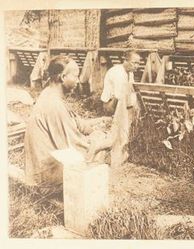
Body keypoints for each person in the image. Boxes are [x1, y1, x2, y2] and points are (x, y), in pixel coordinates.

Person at [24, 56, 110, 186]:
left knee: (98, 136)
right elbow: (74, 147)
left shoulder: (50, 94)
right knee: (100, 142)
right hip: (46, 177)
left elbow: (77, 123)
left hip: (44, 167)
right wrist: (107, 142)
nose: (78, 80)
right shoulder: (54, 104)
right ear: (63, 77)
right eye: (75, 76)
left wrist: (101, 121)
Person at [100, 50, 141, 115]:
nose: (136, 66)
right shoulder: (118, 72)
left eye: (138, 63)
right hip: (110, 104)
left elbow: (131, 90)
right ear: (126, 61)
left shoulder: (130, 73)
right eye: (134, 63)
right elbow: (118, 95)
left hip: (121, 102)